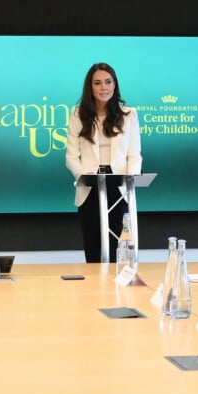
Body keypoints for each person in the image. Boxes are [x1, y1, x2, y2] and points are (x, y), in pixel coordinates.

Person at [65, 62, 142, 263]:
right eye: (97, 83)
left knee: (120, 253)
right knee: (94, 253)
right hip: (90, 191)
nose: (103, 87)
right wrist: (83, 175)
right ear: (90, 87)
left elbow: (135, 155)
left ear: (115, 85)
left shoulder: (129, 115)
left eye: (108, 82)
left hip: (120, 190)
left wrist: (131, 179)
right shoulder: (77, 115)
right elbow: (71, 157)